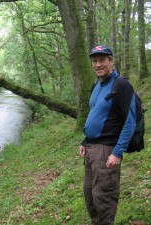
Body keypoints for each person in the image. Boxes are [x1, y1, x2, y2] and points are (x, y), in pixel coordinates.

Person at [79, 45, 137, 225]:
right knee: (89, 193)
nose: (98, 64)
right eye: (94, 61)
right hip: (91, 149)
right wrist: (86, 140)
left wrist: (117, 152)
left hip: (106, 150)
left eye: (102, 60)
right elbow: (95, 113)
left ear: (111, 61)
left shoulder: (121, 85)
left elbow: (130, 122)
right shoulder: (96, 85)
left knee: (103, 196)